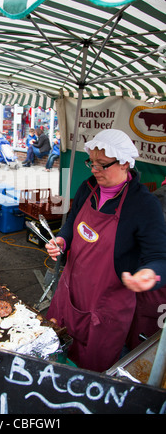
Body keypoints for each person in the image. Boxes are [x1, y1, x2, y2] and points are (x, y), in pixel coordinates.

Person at [45, 129, 166, 372]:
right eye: (92, 162)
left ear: (124, 164)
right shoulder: (88, 187)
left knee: (91, 368)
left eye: (102, 164)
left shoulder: (143, 204)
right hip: (70, 290)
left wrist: (148, 274)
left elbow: (159, 257)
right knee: (53, 345)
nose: (94, 169)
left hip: (106, 305)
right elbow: (71, 222)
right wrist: (62, 240)